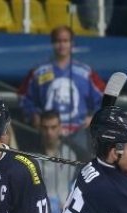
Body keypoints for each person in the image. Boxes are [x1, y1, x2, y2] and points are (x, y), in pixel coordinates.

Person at [19, 25, 104, 154]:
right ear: (52, 44)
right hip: (48, 132)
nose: (62, 45)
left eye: (65, 41)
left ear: (72, 43)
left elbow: (103, 96)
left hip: (77, 132)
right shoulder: (39, 72)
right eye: (58, 41)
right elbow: (24, 96)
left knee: (79, 168)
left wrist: (93, 117)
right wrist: (33, 115)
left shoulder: (86, 72)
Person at [31, 110, 82, 213]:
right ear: (40, 128)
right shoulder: (31, 156)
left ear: (60, 128)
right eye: (45, 128)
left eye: (53, 127)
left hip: (68, 212)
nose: (49, 132)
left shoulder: (72, 153)